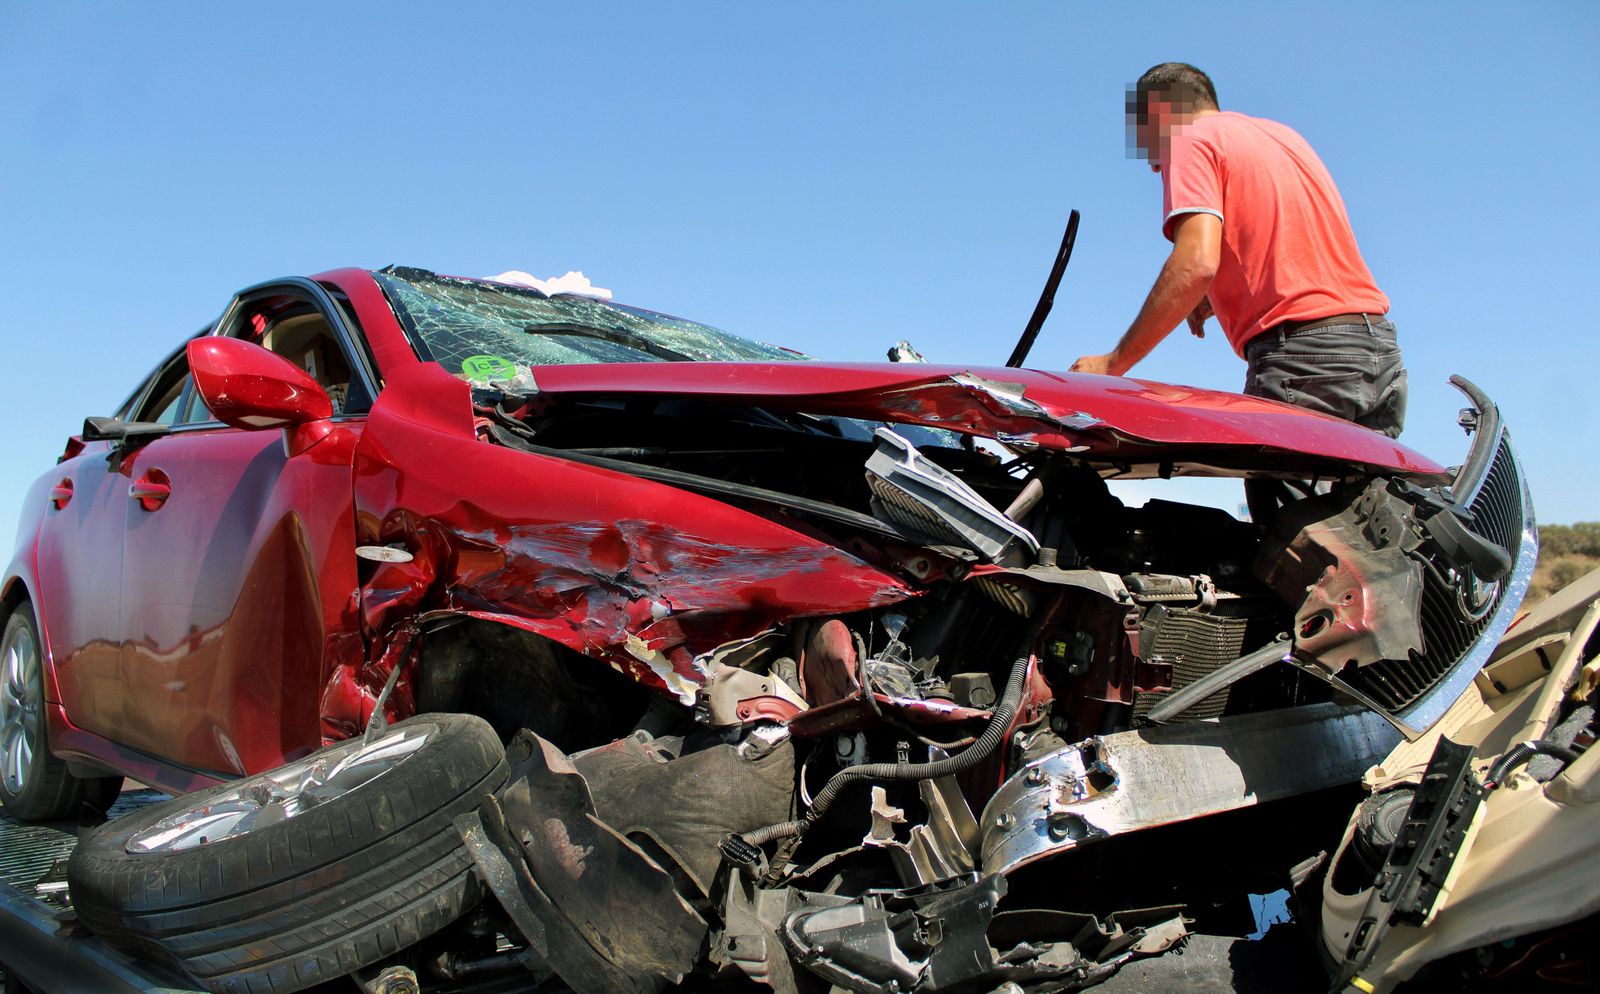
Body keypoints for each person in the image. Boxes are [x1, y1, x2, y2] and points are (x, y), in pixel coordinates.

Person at [1071, 62, 1406, 441]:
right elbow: (1292, 236)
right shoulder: (1285, 138)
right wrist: (1219, 296)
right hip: (1374, 348)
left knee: (1286, 499)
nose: (1152, 164)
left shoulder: (1188, 138)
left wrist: (1114, 363)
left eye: (1146, 139)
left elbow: (1195, 262)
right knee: (1362, 499)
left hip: (1304, 360)